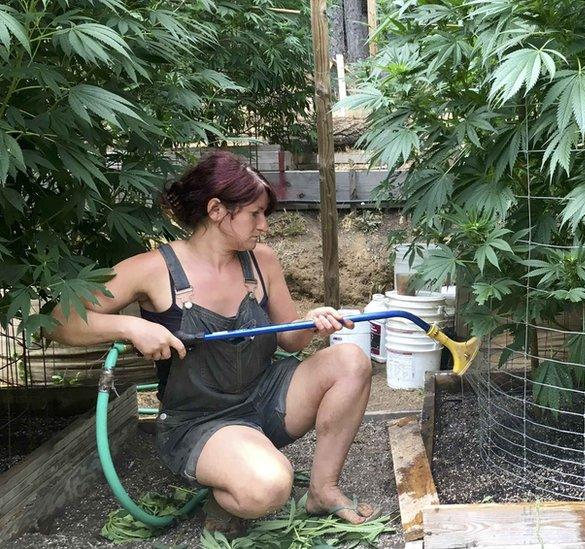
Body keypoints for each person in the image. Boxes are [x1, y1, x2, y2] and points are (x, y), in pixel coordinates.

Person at [47, 151, 376, 532]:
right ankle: (230, 489)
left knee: (351, 360)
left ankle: (323, 489)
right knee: (270, 487)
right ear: (217, 210)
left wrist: (312, 322)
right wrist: (130, 327)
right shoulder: (153, 268)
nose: (264, 226)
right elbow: (59, 322)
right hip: (199, 421)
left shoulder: (261, 261)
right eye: (255, 214)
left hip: (265, 398)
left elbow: (289, 341)